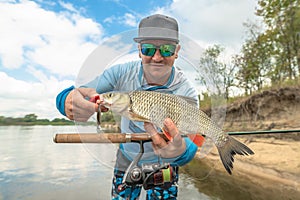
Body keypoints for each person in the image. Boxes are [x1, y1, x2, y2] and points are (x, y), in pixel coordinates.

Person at [56, 14, 199, 199]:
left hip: (166, 163)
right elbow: (80, 91)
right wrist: (66, 100)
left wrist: (181, 152)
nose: (157, 57)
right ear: (139, 50)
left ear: (177, 51)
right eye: (148, 49)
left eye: (166, 49)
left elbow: (195, 139)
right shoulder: (120, 73)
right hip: (126, 157)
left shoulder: (186, 91)